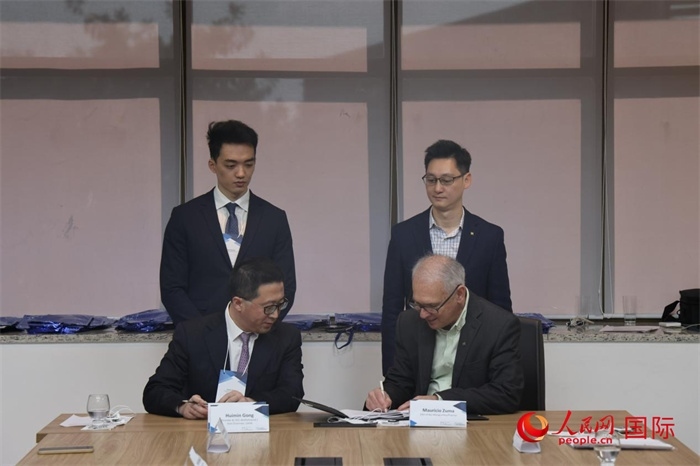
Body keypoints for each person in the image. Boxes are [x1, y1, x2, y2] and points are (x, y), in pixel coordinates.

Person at [381, 139, 512, 374]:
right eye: (431, 180)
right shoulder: (403, 235)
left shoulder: (489, 237)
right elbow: (392, 310)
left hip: (474, 358)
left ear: (466, 180)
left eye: (446, 180)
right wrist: (391, 374)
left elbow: (501, 310)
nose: (437, 188)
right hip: (418, 354)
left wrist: (501, 370)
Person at [160, 120, 296, 325]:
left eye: (248, 164)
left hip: (259, 336)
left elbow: (286, 286)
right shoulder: (185, 218)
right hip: (199, 334)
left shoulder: (274, 219)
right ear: (213, 165)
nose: (241, 173)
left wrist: (256, 326)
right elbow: (172, 287)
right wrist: (202, 333)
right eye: (231, 165)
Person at [144, 257, 304, 418]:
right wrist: (182, 406)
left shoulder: (286, 337)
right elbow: (155, 391)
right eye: (269, 307)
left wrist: (251, 403)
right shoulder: (192, 334)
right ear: (238, 303)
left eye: (280, 304)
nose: (276, 314)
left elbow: (292, 393)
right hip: (201, 430)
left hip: (263, 429)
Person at [367, 254, 522, 415]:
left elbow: (506, 393)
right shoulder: (409, 322)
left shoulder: (498, 325)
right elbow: (401, 381)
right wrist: (385, 395)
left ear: (459, 295)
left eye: (431, 306)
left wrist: (440, 401)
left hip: (473, 423)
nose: (423, 314)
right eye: (417, 304)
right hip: (418, 423)